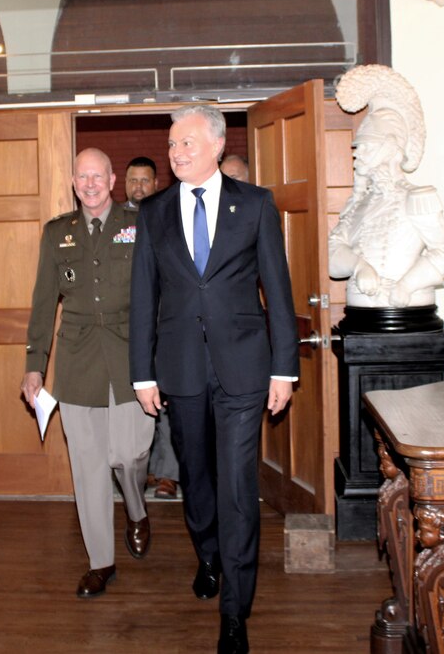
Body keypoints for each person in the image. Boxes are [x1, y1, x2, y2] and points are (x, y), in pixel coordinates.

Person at [129, 105, 299, 654]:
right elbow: (142, 299)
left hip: (245, 368)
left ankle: (235, 612)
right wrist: (142, 374)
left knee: (236, 485)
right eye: (172, 144)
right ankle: (208, 554)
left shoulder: (254, 205)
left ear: (218, 146)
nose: (177, 153)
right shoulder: (152, 212)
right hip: (179, 368)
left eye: (187, 143)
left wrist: (284, 368)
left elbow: (278, 289)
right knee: (197, 477)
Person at [21, 147, 154, 598]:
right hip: (78, 363)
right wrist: (34, 366)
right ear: (74, 182)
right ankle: (101, 562)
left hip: (132, 359)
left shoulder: (139, 224)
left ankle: (136, 510)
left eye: (98, 176)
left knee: (129, 455)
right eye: (83, 177)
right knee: (89, 468)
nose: (91, 184)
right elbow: (43, 304)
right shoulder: (59, 232)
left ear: (113, 180)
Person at [328, 65, 444, 309]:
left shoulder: (417, 198)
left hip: (408, 311)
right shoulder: (359, 204)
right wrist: (359, 266)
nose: (357, 155)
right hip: (361, 314)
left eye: (365, 147)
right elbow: (332, 256)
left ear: (388, 147)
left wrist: (407, 285)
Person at [122, 156, 179, 499]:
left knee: (168, 402)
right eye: (133, 180)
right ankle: (141, 471)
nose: (139, 187)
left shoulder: (168, 216)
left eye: (145, 180)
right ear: (124, 183)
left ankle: (168, 473)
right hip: (126, 326)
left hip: (166, 323)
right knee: (135, 404)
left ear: (157, 183)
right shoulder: (114, 222)